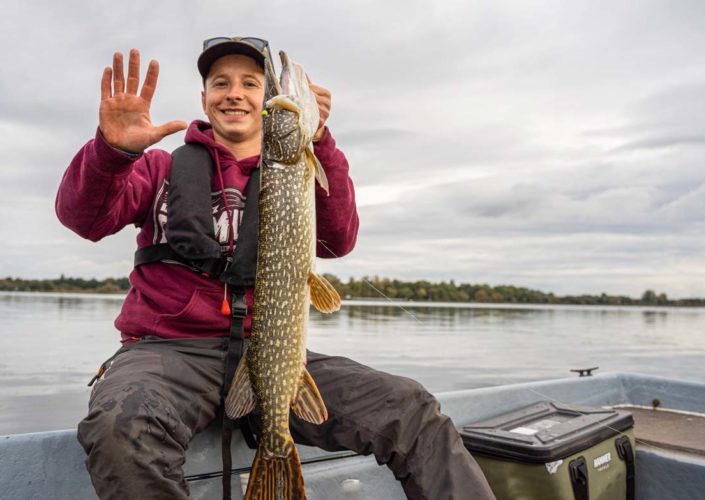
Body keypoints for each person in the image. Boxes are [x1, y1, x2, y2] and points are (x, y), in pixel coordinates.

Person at [56, 37, 495, 500]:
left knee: (412, 409)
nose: (234, 93)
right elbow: (83, 218)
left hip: (276, 354)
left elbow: (339, 239)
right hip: (169, 352)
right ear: (203, 98)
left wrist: (320, 142)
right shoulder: (159, 167)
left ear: (265, 102)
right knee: (122, 425)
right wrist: (111, 151)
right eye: (220, 83)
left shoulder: (298, 165)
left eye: (250, 83)